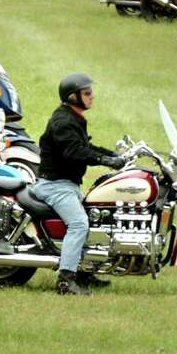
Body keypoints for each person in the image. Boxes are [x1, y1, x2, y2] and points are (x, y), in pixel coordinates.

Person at [34, 73, 126, 296]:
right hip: (56, 186)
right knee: (79, 224)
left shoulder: (72, 118)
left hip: (67, 185)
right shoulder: (63, 122)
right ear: (73, 96)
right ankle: (66, 281)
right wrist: (105, 161)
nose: (92, 96)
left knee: (95, 219)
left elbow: (85, 145)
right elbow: (74, 152)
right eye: (87, 93)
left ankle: (84, 272)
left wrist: (113, 155)